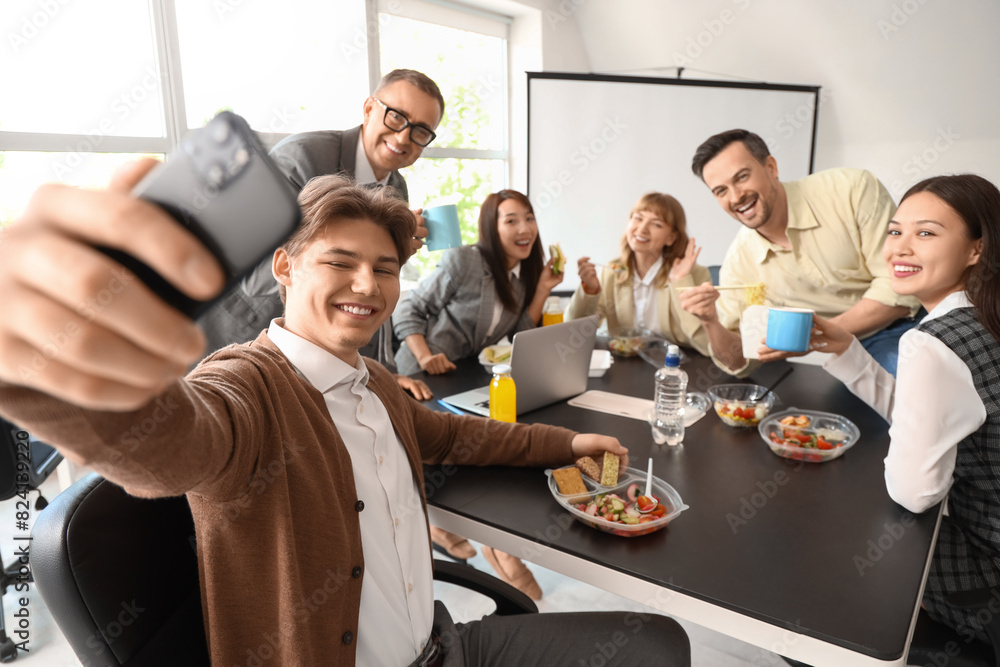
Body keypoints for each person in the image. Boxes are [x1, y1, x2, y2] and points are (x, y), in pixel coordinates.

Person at [0, 167, 691, 666]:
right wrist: (43, 366)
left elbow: (456, 431)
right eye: (341, 261)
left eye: (386, 268)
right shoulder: (246, 385)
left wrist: (564, 441)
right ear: (285, 266)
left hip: (443, 645)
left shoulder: (376, 382)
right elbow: (170, 446)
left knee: (661, 643)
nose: (368, 285)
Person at [813, 174, 999, 645]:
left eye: (927, 233)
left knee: (831, 534)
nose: (900, 247)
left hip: (984, 576)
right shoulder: (982, 314)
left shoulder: (932, 341)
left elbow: (916, 491)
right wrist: (848, 350)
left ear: (977, 248)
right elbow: (935, 416)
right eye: (895, 231)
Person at [197, 68, 444, 399]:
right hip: (246, 342)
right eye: (396, 117)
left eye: (421, 131)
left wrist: (381, 375)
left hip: (318, 368)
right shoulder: (300, 159)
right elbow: (255, 274)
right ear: (369, 109)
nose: (403, 137)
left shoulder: (396, 188)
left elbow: (372, 286)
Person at [678, 129, 920, 377]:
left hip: (903, 326)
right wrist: (710, 321)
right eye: (721, 191)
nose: (736, 196)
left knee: (912, 386)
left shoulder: (851, 190)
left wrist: (809, 338)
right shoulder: (739, 264)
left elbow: (901, 287)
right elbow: (740, 361)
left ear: (771, 167)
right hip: (835, 353)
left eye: (741, 177)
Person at [393, 189, 564, 376]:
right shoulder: (464, 260)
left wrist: (543, 288)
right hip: (416, 371)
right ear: (492, 228)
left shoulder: (521, 277)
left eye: (529, 218)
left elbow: (519, 335)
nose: (524, 229)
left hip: (460, 376)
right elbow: (408, 309)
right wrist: (425, 357)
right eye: (511, 221)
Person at [566, 191, 711, 357]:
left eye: (656, 224)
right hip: (625, 364)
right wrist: (589, 290)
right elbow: (573, 332)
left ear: (671, 237)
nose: (642, 229)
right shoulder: (613, 271)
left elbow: (707, 346)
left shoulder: (696, 274)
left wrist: (681, 282)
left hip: (678, 366)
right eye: (638, 218)